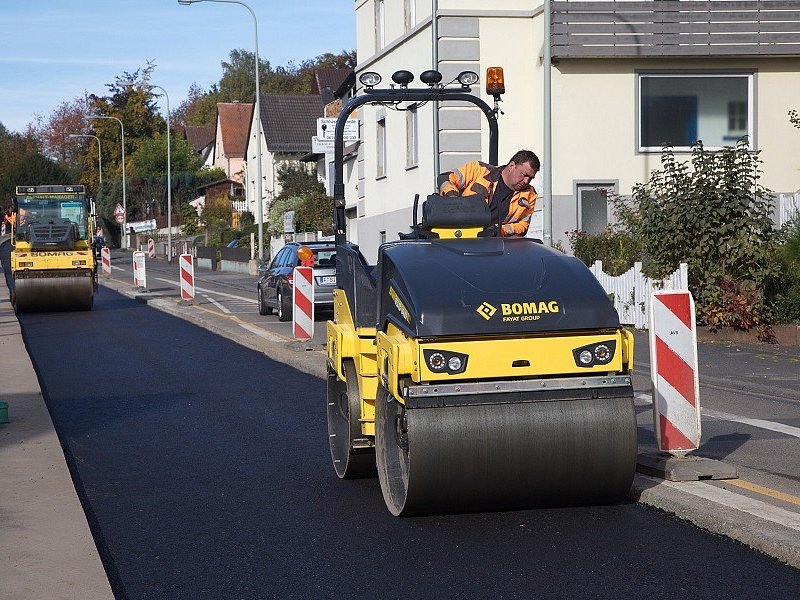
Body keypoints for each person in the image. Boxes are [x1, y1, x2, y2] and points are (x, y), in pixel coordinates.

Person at [437, 149, 540, 237]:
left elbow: (522, 226)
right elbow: (446, 178)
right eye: (524, 175)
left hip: (493, 244)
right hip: (458, 235)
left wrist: (498, 230)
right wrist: (453, 198)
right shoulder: (479, 170)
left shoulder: (530, 195)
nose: (526, 181)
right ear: (512, 166)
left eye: (530, 178)